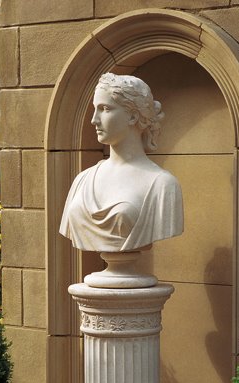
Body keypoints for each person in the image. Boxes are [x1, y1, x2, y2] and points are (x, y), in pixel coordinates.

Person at [59, 73, 184, 252]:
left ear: (133, 116)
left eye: (105, 109)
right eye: (95, 109)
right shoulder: (82, 180)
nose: (94, 120)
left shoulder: (163, 185)